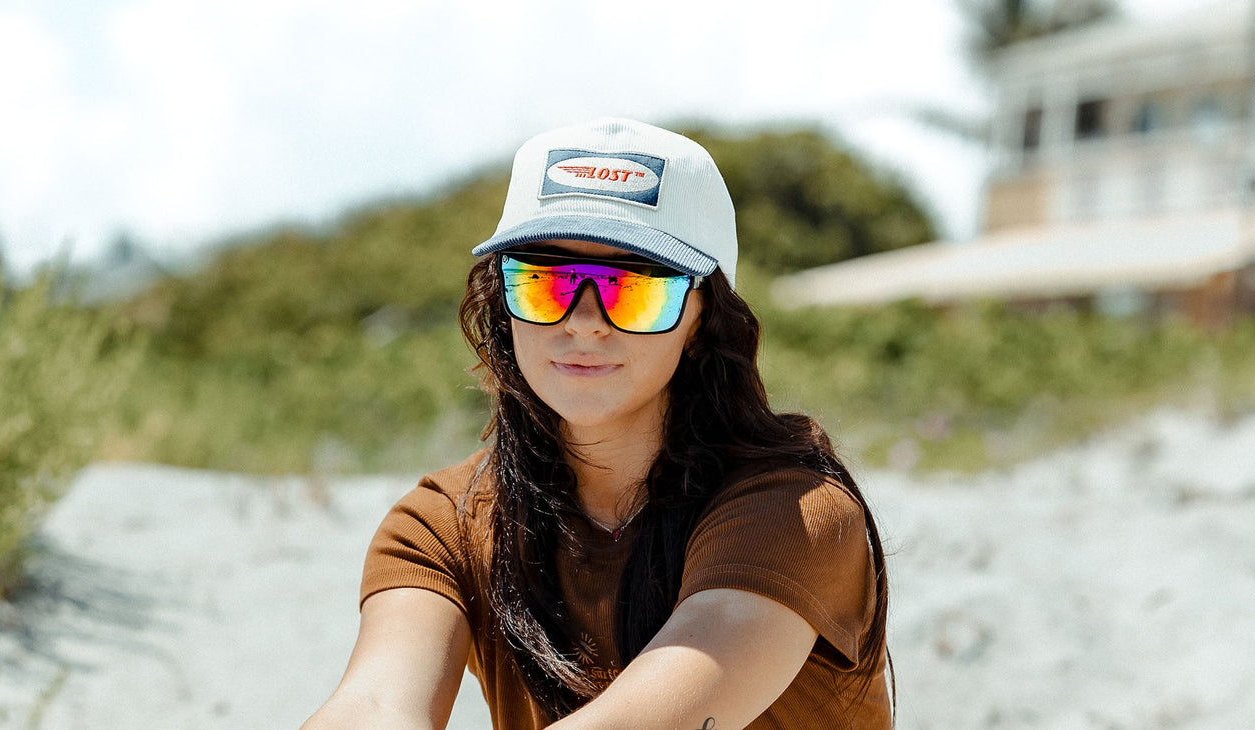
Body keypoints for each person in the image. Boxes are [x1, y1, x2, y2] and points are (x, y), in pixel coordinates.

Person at [303, 118, 891, 729]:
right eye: (543, 281)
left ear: (702, 321)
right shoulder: (443, 524)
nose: (584, 322)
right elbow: (373, 705)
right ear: (501, 305)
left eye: (635, 289)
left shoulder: (795, 513)